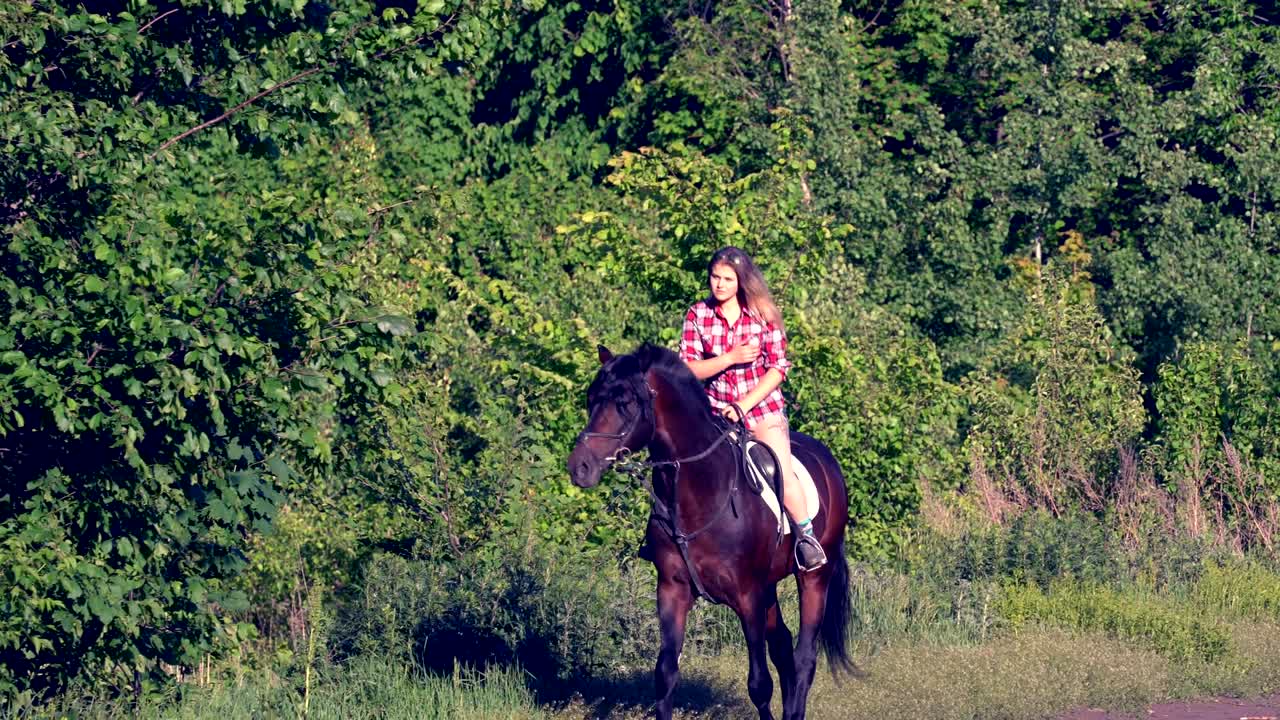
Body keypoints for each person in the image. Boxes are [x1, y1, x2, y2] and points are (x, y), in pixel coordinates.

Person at [678, 246, 826, 572]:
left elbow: (778, 368)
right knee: (681, 464)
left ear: (741, 281)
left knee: (779, 469)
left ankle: (806, 536)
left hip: (761, 410)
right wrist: (729, 358)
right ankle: (675, 537)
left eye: (727, 279)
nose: (719, 285)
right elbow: (688, 370)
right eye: (715, 277)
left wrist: (743, 406)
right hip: (714, 412)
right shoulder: (698, 315)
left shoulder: (762, 315)